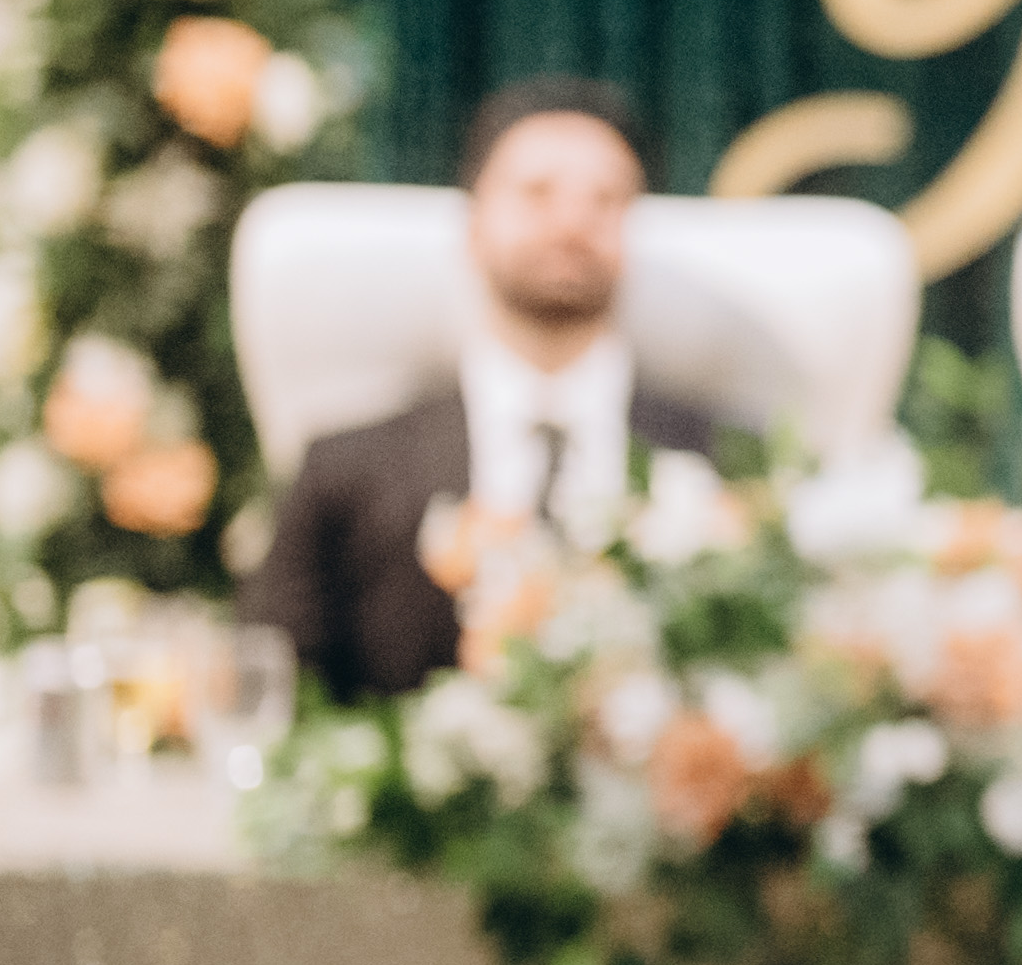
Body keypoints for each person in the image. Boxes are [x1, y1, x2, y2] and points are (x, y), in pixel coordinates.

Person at [249, 80, 722, 701]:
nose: (571, 223)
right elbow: (268, 690)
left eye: (605, 200)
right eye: (537, 193)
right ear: (473, 226)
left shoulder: (726, 468)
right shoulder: (344, 472)